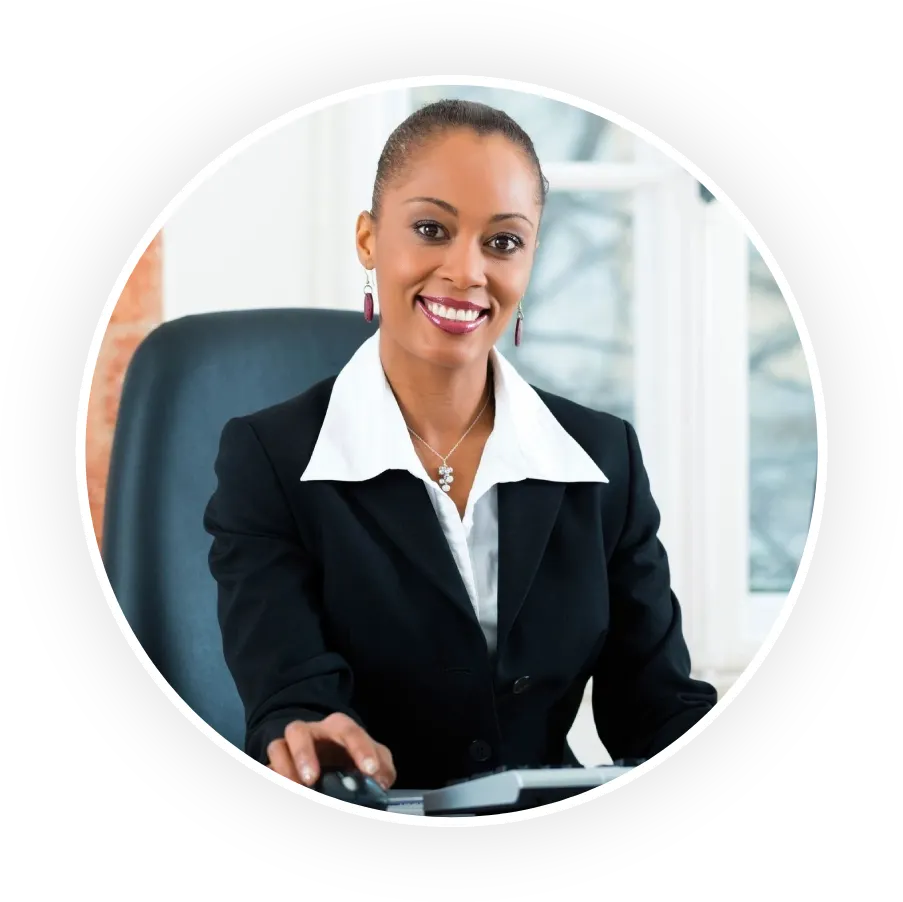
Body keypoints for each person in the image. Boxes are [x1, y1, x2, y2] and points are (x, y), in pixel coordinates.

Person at [203, 99, 717, 792]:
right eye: (429, 228)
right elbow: (291, 692)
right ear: (367, 239)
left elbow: (656, 711)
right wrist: (316, 738)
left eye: (502, 242)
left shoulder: (601, 456)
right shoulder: (269, 458)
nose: (467, 271)